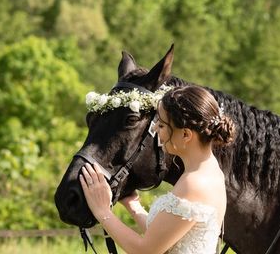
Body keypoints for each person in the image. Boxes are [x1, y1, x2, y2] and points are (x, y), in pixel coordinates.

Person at [79, 85, 236, 254]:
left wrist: (101, 210)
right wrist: (134, 207)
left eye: (161, 125)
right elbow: (167, 235)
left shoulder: (194, 183)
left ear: (186, 135)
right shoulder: (210, 171)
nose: (155, 129)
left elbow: (145, 250)